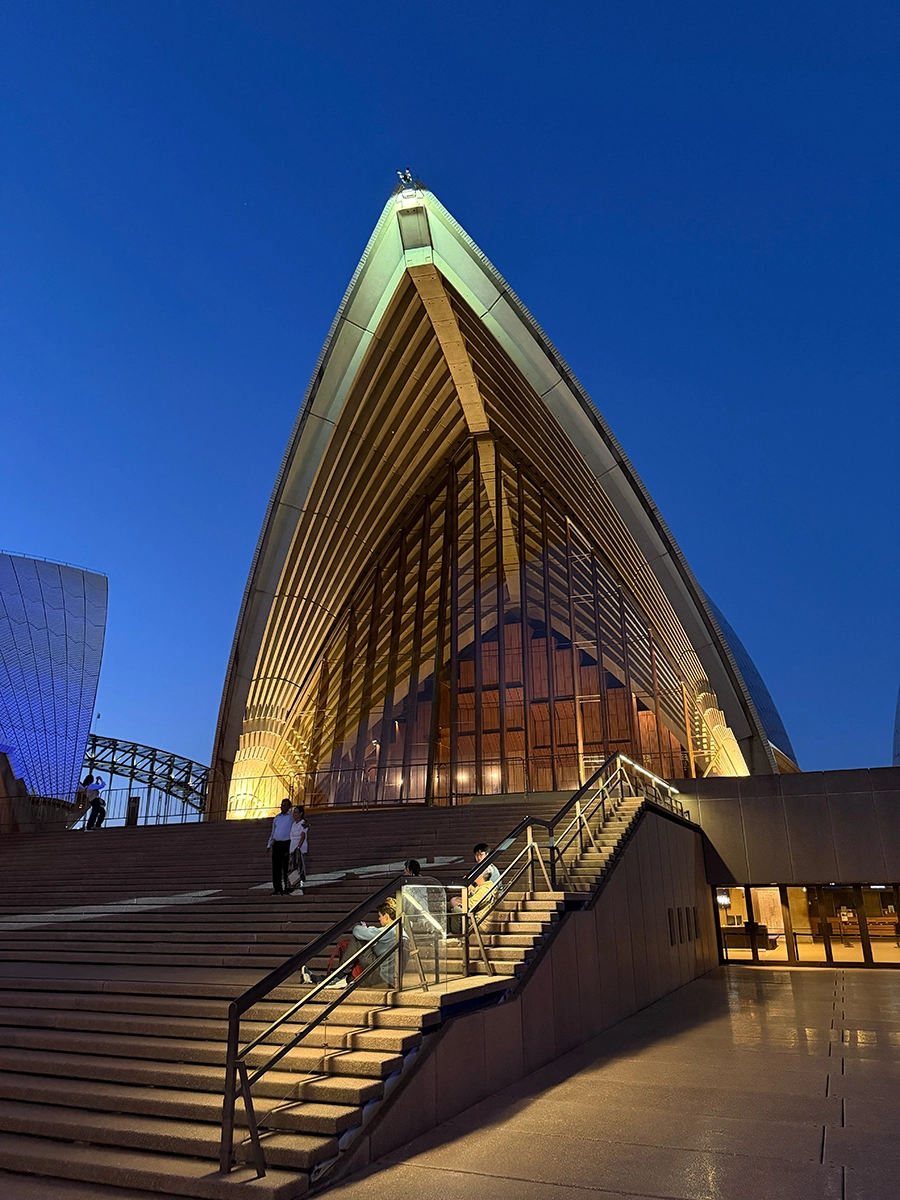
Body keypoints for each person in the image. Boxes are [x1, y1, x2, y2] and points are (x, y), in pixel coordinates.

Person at [267, 798, 294, 895]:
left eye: (285, 805)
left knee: (287, 867)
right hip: (277, 844)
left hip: (287, 843)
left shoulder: (291, 816)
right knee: (276, 867)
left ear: (289, 806)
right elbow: (273, 831)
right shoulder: (277, 818)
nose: (282, 807)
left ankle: (288, 887)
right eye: (282, 805)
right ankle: (277, 888)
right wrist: (269, 844)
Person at [289, 805, 309, 892]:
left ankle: (300, 885)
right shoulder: (294, 824)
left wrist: (298, 847)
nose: (294, 814)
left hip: (299, 849)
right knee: (292, 868)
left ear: (301, 813)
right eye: (294, 812)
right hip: (292, 848)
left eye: (296, 812)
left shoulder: (303, 823)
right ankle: (293, 885)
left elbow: (302, 836)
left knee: (299, 867)